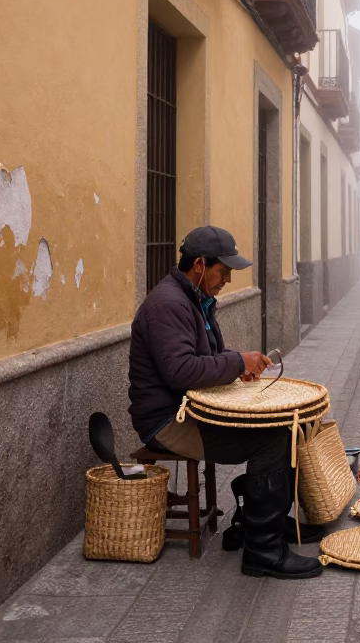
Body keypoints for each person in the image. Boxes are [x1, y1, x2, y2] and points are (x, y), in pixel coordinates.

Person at [127, 225, 324, 579]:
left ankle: (268, 522)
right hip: (168, 421)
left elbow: (207, 358)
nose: (228, 280)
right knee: (272, 437)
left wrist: (237, 366)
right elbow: (180, 371)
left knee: (288, 423)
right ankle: (263, 552)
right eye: (224, 270)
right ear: (200, 265)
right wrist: (236, 363)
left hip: (195, 409)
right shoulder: (169, 305)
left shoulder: (195, 300)